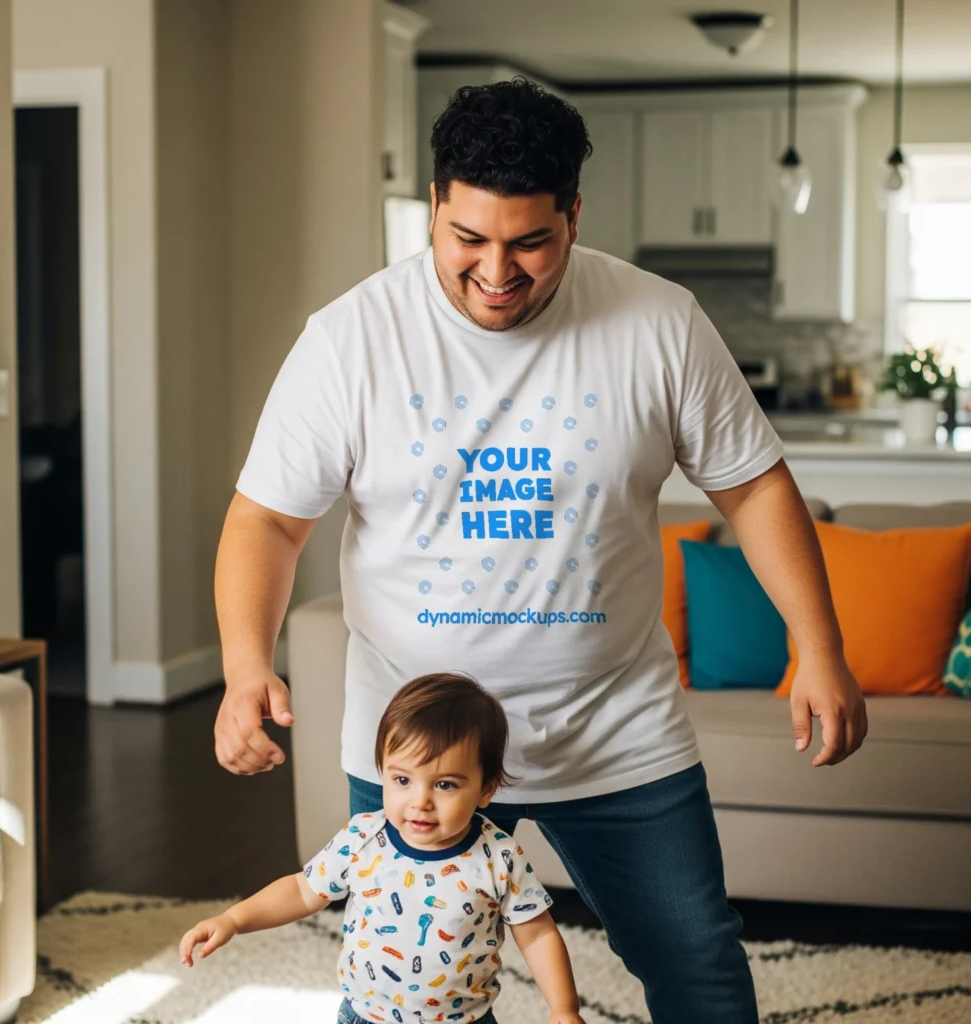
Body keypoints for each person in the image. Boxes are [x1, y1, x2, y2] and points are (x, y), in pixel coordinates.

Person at [213, 78, 868, 1023]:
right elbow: (267, 519)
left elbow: (753, 483)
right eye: (467, 239)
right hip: (419, 745)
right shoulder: (350, 340)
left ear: (573, 214)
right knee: (401, 985)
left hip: (616, 726)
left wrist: (819, 645)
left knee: (697, 967)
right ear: (435, 208)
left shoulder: (659, 322)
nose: (495, 271)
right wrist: (243, 668)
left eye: (530, 242)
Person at [182, 674, 586, 1024]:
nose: (420, 801)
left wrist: (563, 1007)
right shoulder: (362, 839)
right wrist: (235, 919)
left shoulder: (498, 856)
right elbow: (302, 891)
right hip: (365, 1016)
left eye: (445, 784)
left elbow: (536, 934)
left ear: (485, 789)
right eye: (402, 780)